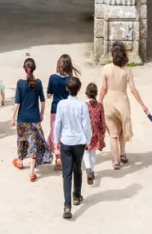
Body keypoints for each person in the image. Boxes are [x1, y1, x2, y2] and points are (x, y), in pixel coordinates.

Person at [100, 41, 148, 169]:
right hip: (123, 104)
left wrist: (99, 102)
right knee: (122, 132)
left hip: (108, 103)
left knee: (113, 135)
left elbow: (103, 89)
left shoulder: (106, 69)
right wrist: (143, 105)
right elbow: (133, 90)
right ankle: (122, 154)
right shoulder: (127, 70)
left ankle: (116, 161)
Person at [55, 76, 92, 220]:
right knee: (77, 169)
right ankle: (76, 195)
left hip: (66, 140)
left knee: (66, 174)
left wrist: (56, 140)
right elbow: (86, 126)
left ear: (67, 89)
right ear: (79, 89)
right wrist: (88, 140)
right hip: (79, 141)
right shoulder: (82, 105)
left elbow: (57, 124)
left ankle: (67, 206)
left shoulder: (61, 104)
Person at [12, 57, 53, 181]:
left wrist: (13, 117)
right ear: (33, 68)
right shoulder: (38, 82)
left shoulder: (20, 83)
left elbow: (17, 103)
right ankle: (31, 172)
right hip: (35, 118)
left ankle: (20, 161)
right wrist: (41, 114)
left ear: (24, 68)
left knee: (22, 140)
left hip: (22, 118)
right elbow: (43, 100)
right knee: (33, 143)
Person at [47, 53, 80, 167]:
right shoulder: (72, 79)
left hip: (56, 108)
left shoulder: (52, 78)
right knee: (67, 131)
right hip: (68, 109)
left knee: (55, 132)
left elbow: (48, 95)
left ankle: (58, 157)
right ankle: (66, 156)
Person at [82, 82, 106, 186]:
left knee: (86, 151)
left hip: (85, 131)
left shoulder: (83, 105)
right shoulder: (100, 105)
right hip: (96, 131)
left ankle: (88, 169)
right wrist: (103, 133)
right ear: (96, 93)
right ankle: (91, 170)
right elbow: (102, 121)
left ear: (86, 93)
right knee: (93, 152)